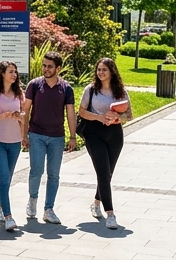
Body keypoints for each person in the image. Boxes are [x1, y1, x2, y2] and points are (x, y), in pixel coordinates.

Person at [23, 50, 78, 225]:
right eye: (44, 66)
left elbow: (70, 113)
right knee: (36, 171)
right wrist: (24, 134)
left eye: (49, 66)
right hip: (36, 134)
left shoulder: (66, 88)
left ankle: (49, 209)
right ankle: (32, 200)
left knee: (54, 174)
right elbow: (26, 111)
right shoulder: (34, 85)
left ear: (58, 68)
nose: (46, 69)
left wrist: (73, 136)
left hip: (57, 136)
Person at [77, 57, 132, 230]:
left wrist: (117, 117)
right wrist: (100, 117)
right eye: (98, 69)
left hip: (114, 134)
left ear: (112, 72)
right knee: (102, 172)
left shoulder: (120, 91)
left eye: (104, 70)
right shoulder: (91, 90)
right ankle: (110, 214)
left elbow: (129, 115)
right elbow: (82, 111)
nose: (100, 72)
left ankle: (96, 202)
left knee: (107, 174)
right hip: (94, 133)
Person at [0, 61, 26, 231]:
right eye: (11, 71)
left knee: (7, 179)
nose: (14, 75)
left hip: (15, 142)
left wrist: (20, 116)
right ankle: (8, 217)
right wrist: (0, 116)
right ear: (2, 73)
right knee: (4, 178)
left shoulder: (19, 94)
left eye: (15, 72)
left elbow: (24, 115)